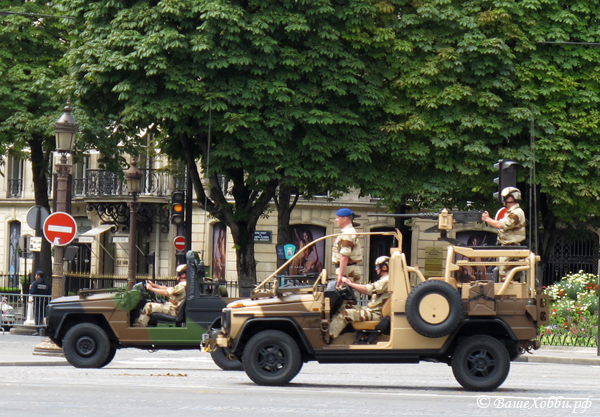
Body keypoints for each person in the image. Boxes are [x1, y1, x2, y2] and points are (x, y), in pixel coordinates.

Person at [329, 256, 391, 339]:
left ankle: (328, 338)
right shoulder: (386, 279)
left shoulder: (387, 280)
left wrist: (350, 283)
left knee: (344, 314)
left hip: (375, 314)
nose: (376, 269)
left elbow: (368, 289)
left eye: (377, 267)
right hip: (371, 310)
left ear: (384, 267)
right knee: (346, 306)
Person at [481, 187, 526, 280]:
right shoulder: (511, 212)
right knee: (504, 275)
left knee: (506, 277)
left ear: (510, 198)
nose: (502, 201)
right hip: (508, 249)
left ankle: (507, 294)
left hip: (511, 249)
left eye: (504, 198)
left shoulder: (516, 213)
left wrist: (487, 219)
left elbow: (500, 225)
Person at [332, 208, 363, 288]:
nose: (336, 220)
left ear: (345, 218)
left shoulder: (347, 233)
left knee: (345, 299)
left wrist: (340, 275)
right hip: (347, 270)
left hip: (347, 272)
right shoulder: (347, 232)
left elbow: (344, 256)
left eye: (338, 217)